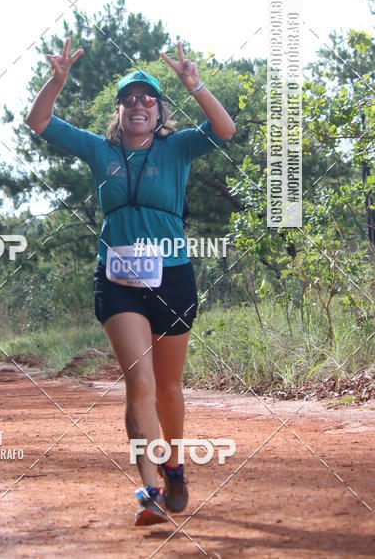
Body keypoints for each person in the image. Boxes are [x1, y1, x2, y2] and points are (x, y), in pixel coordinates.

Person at [25, 37, 236, 526]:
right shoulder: (100, 151)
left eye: (148, 98)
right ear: (118, 111)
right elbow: (38, 123)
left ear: (160, 110)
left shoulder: (178, 147)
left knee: (167, 388)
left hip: (174, 276)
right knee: (138, 383)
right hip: (118, 281)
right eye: (129, 99)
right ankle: (150, 490)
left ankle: (175, 465)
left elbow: (224, 129)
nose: (138, 104)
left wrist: (195, 84)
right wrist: (55, 82)